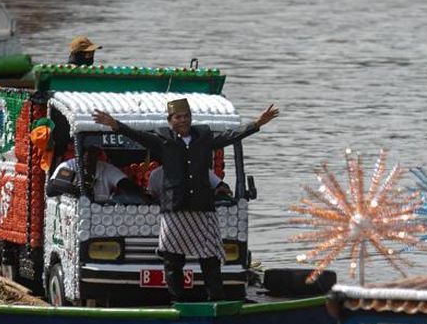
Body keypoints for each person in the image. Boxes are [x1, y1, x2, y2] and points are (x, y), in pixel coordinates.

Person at [92, 98, 278, 301]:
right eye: (178, 117)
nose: (183, 120)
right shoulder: (163, 139)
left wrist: (256, 124)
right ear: (170, 120)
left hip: (202, 208)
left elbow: (230, 137)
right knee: (173, 258)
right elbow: (137, 136)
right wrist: (115, 125)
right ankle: (178, 300)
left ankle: (216, 300)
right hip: (174, 208)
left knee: (210, 257)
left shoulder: (203, 138)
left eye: (186, 116)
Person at [46, 138, 144, 204]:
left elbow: (127, 185)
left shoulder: (106, 169)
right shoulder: (69, 166)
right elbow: (51, 189)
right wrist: (77, 190)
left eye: (91, 151)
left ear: (98, 153)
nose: (87, 155)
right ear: (77, 152)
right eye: (84, 151)